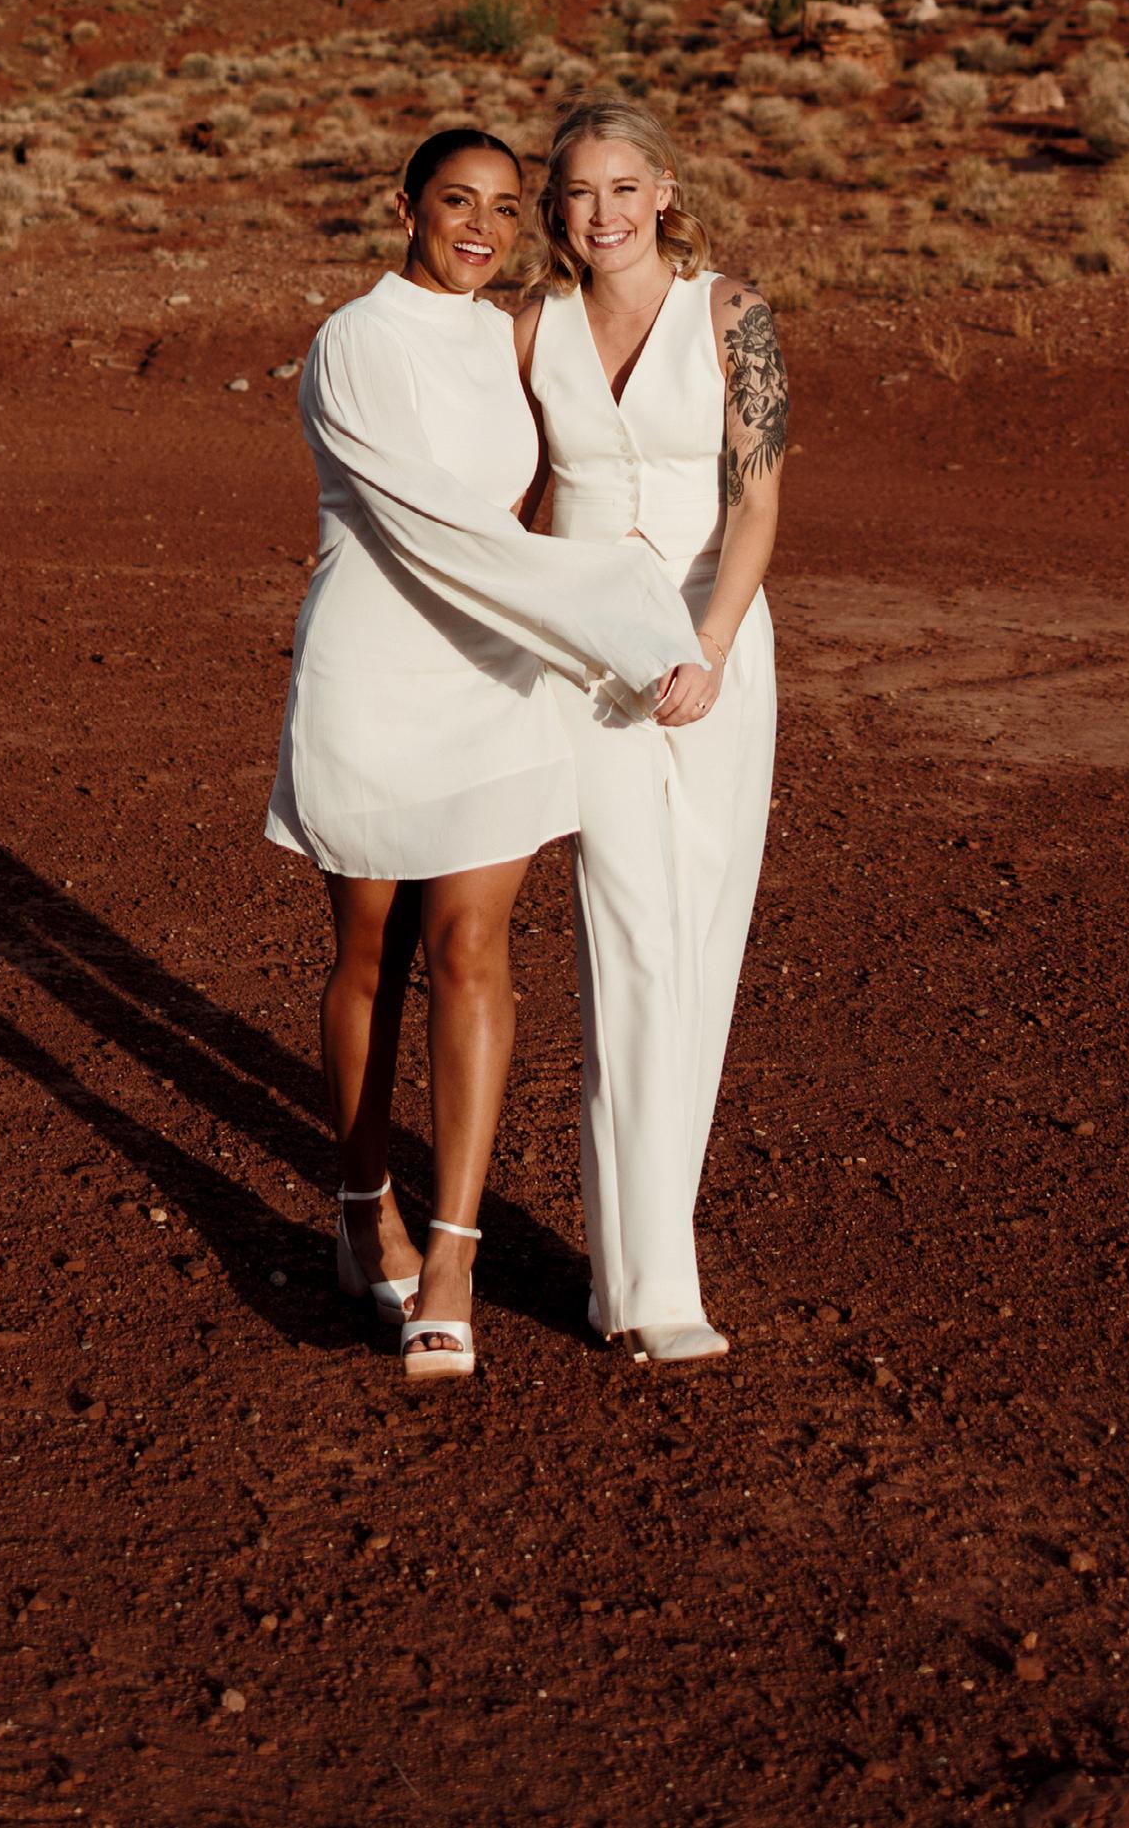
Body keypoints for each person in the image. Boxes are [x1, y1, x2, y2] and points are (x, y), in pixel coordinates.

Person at [267, 126, 696, 1391]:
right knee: (370, 959)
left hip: (494, 681)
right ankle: (364, 1214)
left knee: (472, 952)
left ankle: (450, 1260)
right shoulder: (354, 341)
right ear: (404, 205)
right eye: (457, 202)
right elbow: (437, 528)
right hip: (373, 677)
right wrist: (620, 613)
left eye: (507, 209)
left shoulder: (508, 338)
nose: (482, 229)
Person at [515, 95, 783, 1367]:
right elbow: (505, 496)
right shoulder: (529, 327)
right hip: (583, 662)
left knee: (703, 932)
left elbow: (758, 501)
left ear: (666, 192)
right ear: (554, 208)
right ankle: (652, 1288)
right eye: (579, 193)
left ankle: (639, 1253)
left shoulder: (733, 316)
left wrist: (710, 647)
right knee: (626, 934)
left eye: (625, 188)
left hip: (714, 644)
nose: (604, 213)